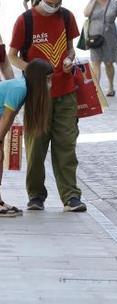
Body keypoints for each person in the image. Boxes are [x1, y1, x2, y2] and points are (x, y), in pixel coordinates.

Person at [7, 0, 87, 212]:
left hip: (66, 91)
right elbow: (12, 56)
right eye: (50, 2)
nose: (53, 7)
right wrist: (32, 70)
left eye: (58, 3)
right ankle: (36, 195)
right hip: (37, 95)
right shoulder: (25, 20)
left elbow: (71, 48)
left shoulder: (66, 16)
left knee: (66, 145)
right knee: (36, 147)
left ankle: (71, 197)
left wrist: (70, 60)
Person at [0, 60, 54, 217]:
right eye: (48, 79)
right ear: (38, 79)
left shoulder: (25, 89)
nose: (50, 84)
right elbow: (7, 118)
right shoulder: (20, 88)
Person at [83, 0, 117, 97]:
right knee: (95, 63)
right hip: (94, 37)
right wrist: (94, 1)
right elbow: (86, 13)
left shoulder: (114, 4)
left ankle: (111, 87)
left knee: (108, 63)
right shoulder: (92, 2)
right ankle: (96, 89)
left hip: (109, 37)